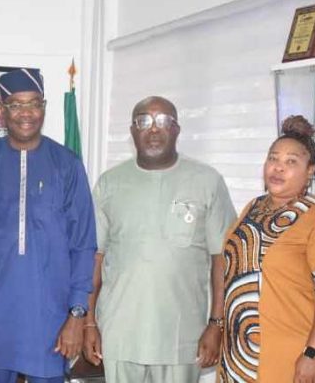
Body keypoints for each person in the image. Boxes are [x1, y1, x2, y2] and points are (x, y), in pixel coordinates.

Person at [0, 68, 96, 383]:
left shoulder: (67, 164)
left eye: (33, 103)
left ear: (44, 107)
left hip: (50, 317)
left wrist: (76, 315)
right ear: (2, 110)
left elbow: (84, 245)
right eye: (16, 105)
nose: (26, 113)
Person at [85, 96, 236, 383]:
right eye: (143, 121)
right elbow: (95, 257)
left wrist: (216, 324)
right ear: (132, 131)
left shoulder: (207, 181)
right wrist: (90, 322)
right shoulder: (110, 183)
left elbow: (222, 259)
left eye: (163, 121)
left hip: (182, 336)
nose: (153, 129)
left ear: (177, 129)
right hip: (120, 333)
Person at [218, 115, 315, 382]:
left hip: (289, 355)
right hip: (239, 354)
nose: (278, 168)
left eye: (291, 162)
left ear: (310, 170)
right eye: (273, 158)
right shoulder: (254, 207)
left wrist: (313, 355)